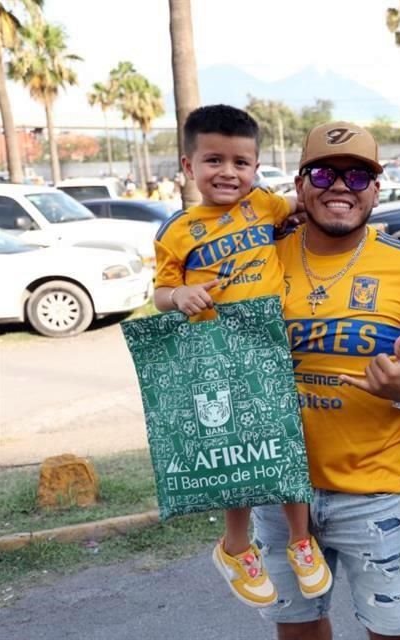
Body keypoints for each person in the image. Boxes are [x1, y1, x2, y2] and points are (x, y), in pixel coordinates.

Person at [251, 121, 400, 640]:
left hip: (374, 489)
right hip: (280, 486)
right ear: (299, 185)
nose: (340, 186)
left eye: (358, 176)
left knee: (392, 629)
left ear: (376, 190)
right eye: (323, 172)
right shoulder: (259, 261)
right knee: (298, 627)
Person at [152, 104, 331, 609]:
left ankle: (301, 540)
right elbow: (161, 292)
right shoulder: (176, 232)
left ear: (255, 167)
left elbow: (307, 206)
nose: (228, 173)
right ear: (188, 166)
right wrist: (180, 296)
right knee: (240, 455)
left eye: (240, 163)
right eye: (213, 161)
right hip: (217, 351)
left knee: (285, 444)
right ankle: (235, 547)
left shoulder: (267, 206)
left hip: (271, 343)